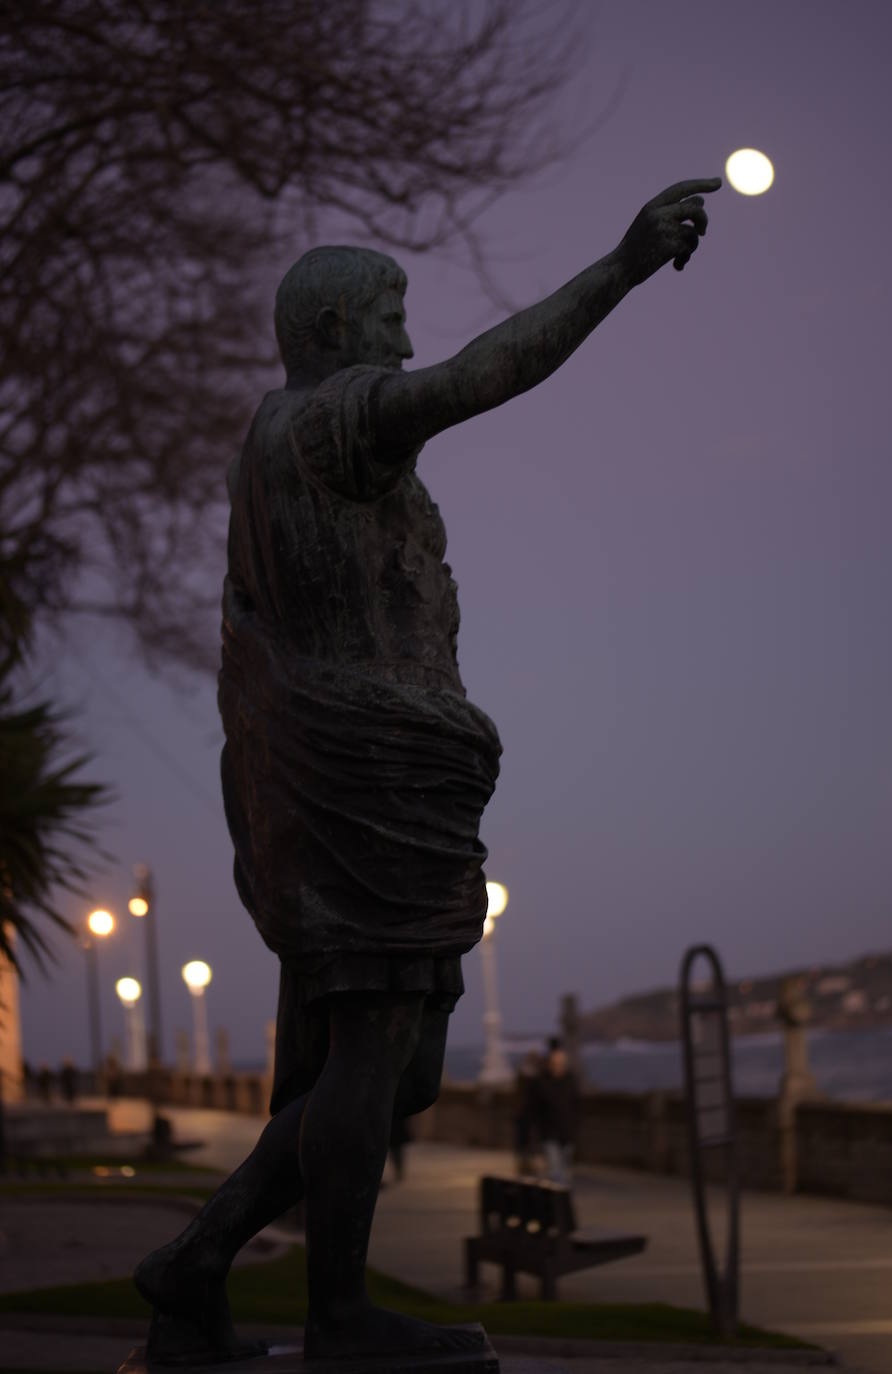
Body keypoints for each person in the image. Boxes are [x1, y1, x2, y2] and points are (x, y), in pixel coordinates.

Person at [134, 176, 719, 1364]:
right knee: (371, 1054)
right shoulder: (328, 421)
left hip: (361, 776)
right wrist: (618, 267)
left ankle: (197, 1262)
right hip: (366, 777)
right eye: (392, 315)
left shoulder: (273, 443)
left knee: (396, 1071)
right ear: (338, 332)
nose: (409, 337)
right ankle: (337, 1316)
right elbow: (481, 377)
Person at [537, 1038, 580, 1188]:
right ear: (550, 1064)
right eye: (555, 1064)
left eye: (561, 1064)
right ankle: (557, 1206)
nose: (558, 1067)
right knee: (555, 1173)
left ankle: (561, 1203)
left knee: (565, 1172)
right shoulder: (543, 1081)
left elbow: (575, 1106)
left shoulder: (570, 1081)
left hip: (566, 1133)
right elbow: (537, 1107)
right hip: (550, 1132)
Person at [513, 1048, 544, 1176]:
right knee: (528, 1140)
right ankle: (526, 1163)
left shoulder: (522, 1075)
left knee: (523, 1140)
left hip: (524, 1113)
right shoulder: (535, 1076)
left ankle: (524, 1162)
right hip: (529, 1113)